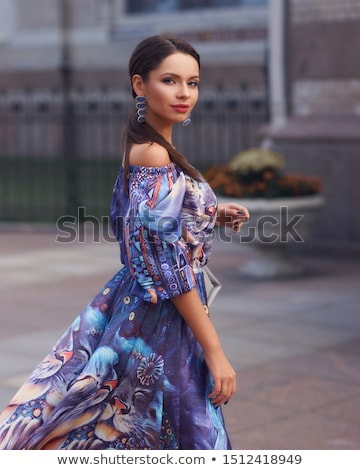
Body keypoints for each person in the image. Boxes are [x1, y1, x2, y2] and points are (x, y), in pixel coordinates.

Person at [0, 35, 249, 450]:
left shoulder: (149, 147)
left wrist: (211, 212)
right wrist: (215, 349)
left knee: (137, 426)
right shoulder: (153, 154)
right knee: (180, 430)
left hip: (143, 304)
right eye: (170, 80)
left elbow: (149, 225)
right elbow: (167, 266)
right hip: (159, 314)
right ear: (139, 85)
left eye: (193, 82)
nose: (185, 93)